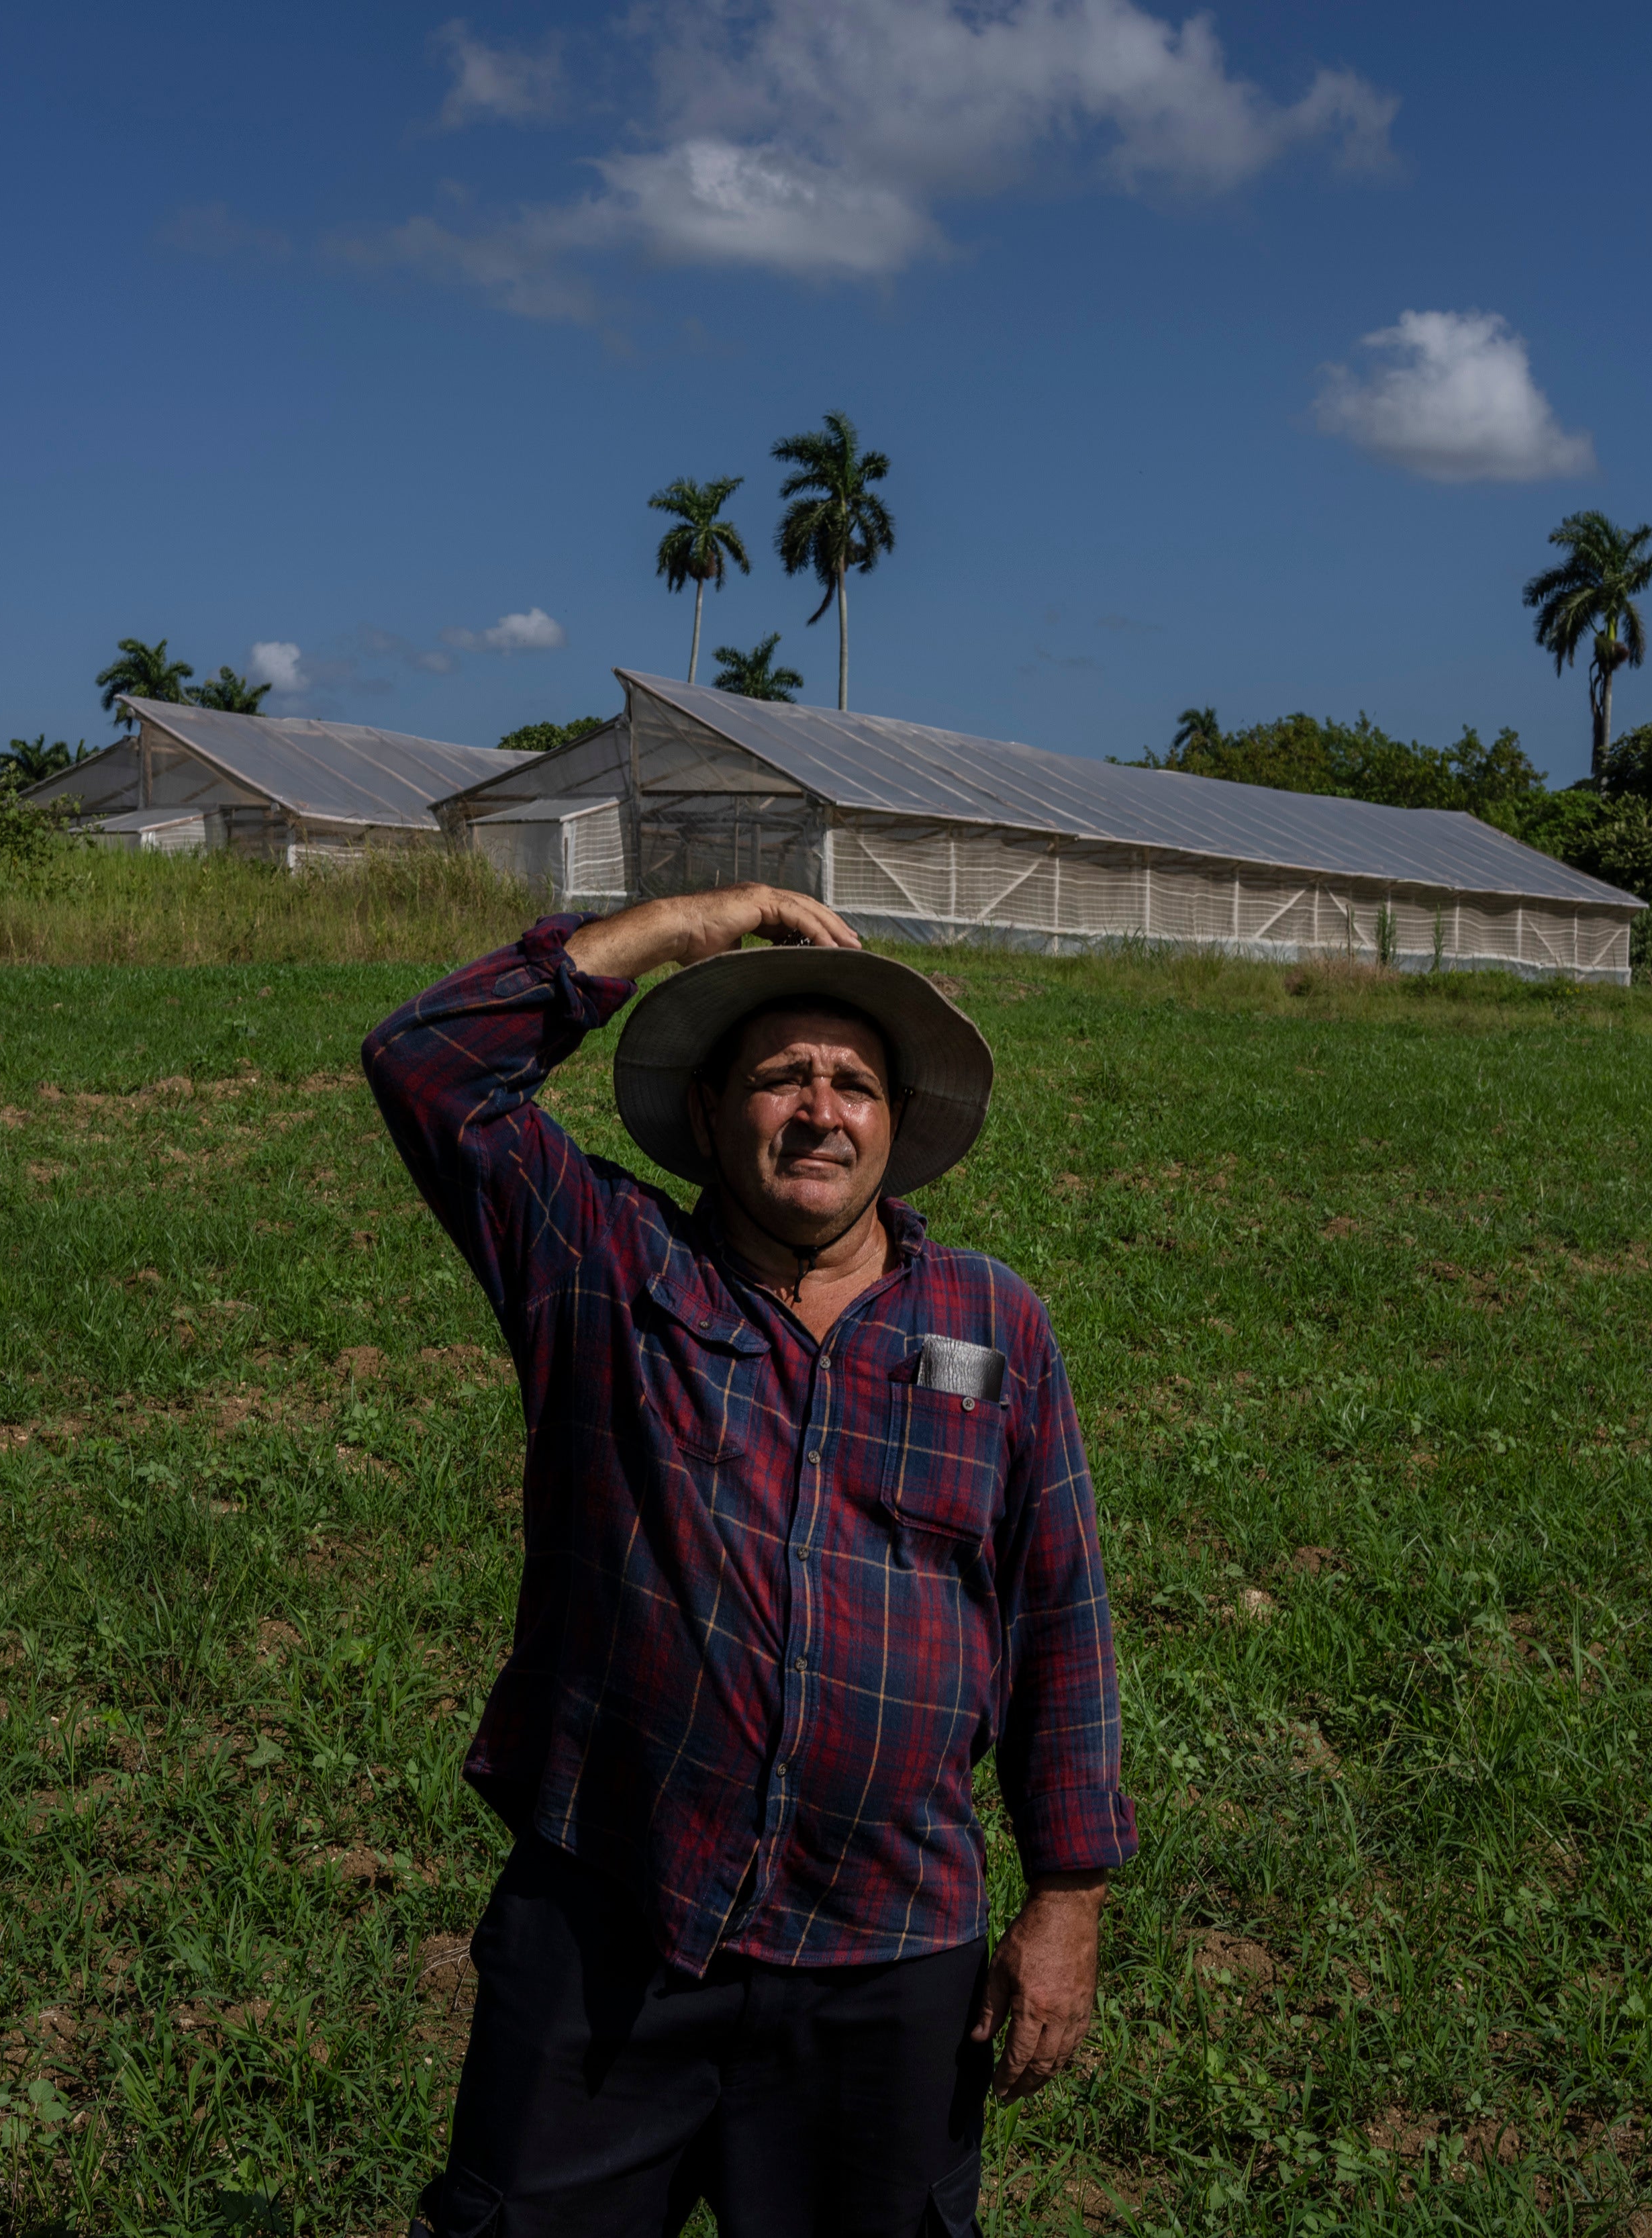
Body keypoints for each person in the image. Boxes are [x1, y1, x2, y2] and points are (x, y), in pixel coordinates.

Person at [361, 882, 1134, 2238]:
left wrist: (1065, 1897)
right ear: (715, 1113)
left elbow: (1057, 1614)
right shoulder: (607, 1263)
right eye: (780, 1076)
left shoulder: (989, 1319)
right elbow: (428, 1065)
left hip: (889, 1943)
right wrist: (679, 927)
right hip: (617, 1919)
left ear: (896, 1124)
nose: (819, 1108)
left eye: (853, 1082)